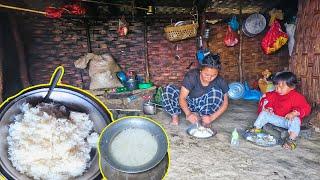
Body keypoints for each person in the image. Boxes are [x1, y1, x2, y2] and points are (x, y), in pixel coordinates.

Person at [162, 53, 229, 127]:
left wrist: (212, 118)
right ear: (200, 70)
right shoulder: (192, 76)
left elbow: (225, 103)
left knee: (216, 92)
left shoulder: (220, 80)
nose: (209, 78)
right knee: (169, 89)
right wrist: (188, 114)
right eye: (206, 74)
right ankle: (175, 116)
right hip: (189, 102)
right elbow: (182, 98)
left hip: (204, 105)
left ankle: (205, 119)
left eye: (214, 75)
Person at [250, 71, 311, 150]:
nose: (278, 89)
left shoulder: (297, 97)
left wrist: (294, 113)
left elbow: (306, 108)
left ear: (292, 87)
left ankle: (291, 140)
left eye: (281, 87)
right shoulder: (275, 95)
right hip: (276, 119)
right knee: (264, 113)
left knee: (296, 120)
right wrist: (269, 109)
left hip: (287, 121)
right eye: (276, 87)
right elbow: (269, 103)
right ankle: (256, 128)